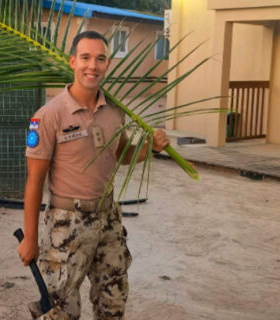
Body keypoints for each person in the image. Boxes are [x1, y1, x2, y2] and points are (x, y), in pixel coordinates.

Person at [17, 30, 170, 320]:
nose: (93, 65)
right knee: (62, 309)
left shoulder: (114, 111)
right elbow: (34, 181)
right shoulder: (50, 115)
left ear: (107, 64)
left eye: (100, 59)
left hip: (109, 219)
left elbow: (122, 154)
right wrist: (30, 238)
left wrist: (152, 148)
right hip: (67, 224)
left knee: (113, 304)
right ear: (72, 61)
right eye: (85, 57)